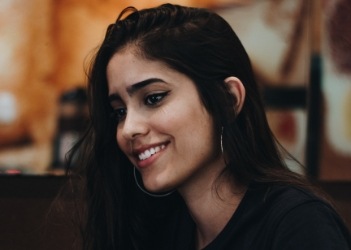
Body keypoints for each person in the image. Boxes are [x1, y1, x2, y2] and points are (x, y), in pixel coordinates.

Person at [66, 3, 351, 250]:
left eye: (153, 98)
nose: (129, 129)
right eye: (119, 112)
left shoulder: (298, 224)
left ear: (228, 100)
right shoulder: (159, 228)